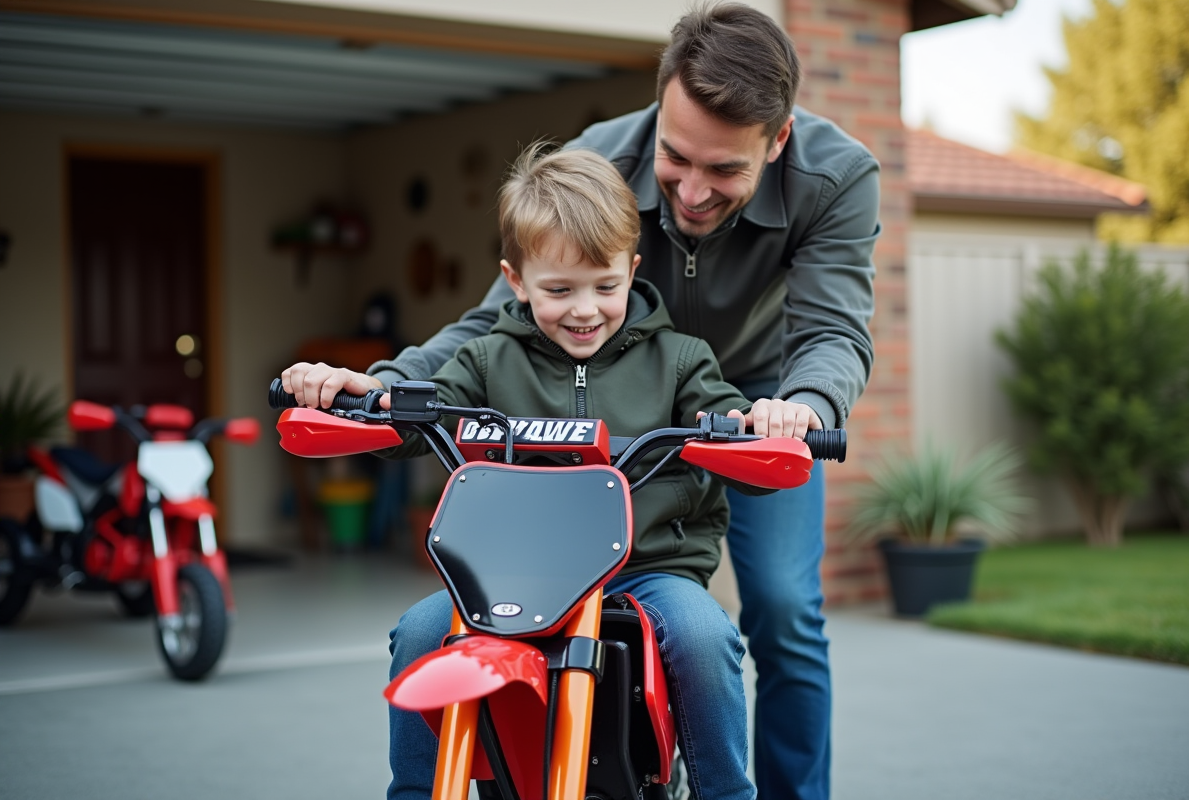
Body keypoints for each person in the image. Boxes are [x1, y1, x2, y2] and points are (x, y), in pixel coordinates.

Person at [287, 5, 878, 798]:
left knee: (780, 609)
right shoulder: (591, 166)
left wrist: (802, 407)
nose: (694, 193)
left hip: (752, 408)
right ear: (660, 101)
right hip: (586, 425)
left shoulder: (838, 176)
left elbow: (834, 329)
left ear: (777, 142)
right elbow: (489, 331)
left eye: (726, 171)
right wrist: (386, 387)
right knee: (428, 629)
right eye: (676, 158)